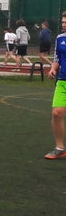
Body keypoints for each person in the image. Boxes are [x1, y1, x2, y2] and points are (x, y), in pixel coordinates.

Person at [44, 15, 66, 159]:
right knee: (57, 113)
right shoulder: (60, 38)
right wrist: (53, 68)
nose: (64, 24)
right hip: (63, 81)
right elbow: (57, 57)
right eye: (63, 22)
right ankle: (60, 148)